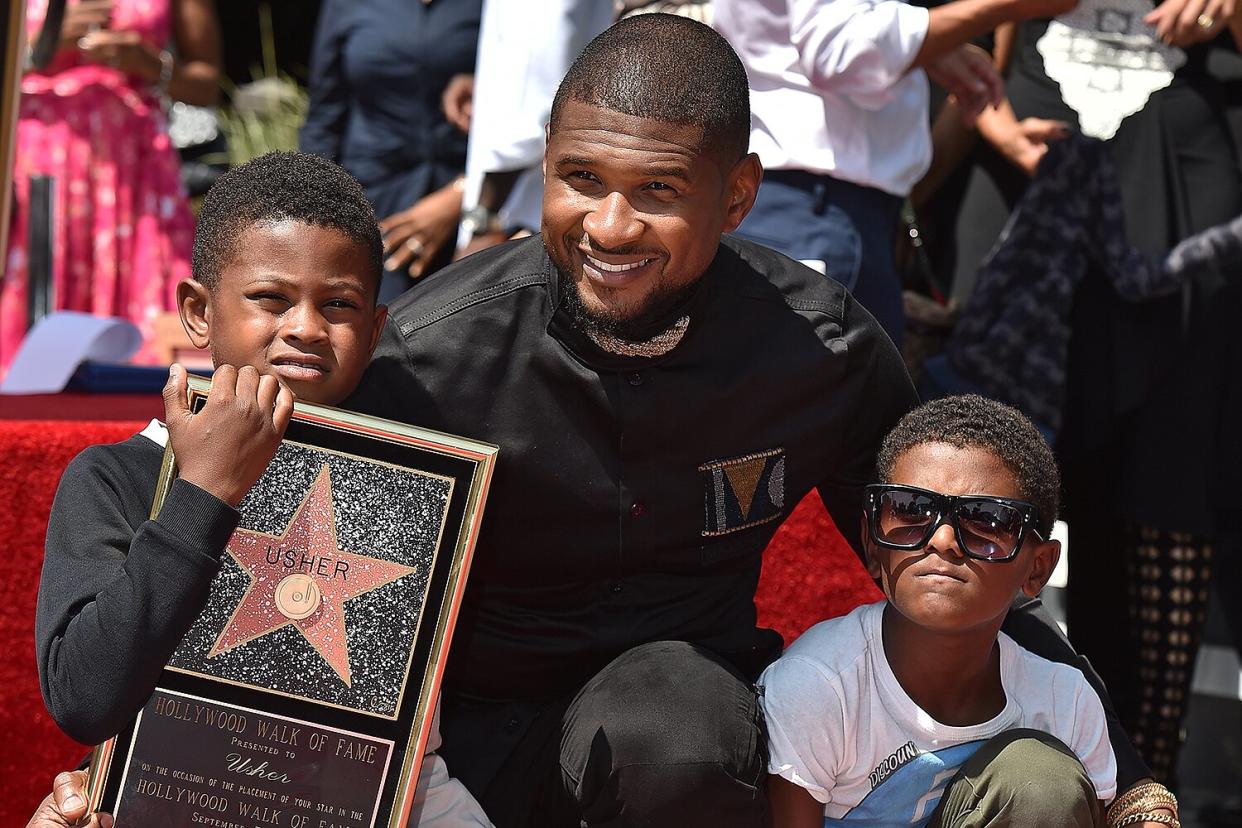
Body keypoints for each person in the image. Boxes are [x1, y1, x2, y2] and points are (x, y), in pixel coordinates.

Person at [36, 15, 1160, 828]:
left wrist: (1126, 756)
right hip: (450, 742)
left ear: (737, 195)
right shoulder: (425, 352)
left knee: (675, 715)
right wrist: (144, 765)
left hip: (680, 733)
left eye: (660, 192)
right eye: (578, 178)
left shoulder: (818, 349)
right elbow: (266, 556)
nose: (607, 224)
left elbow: (939, 528)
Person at [31, 152, 491, 828]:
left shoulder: (424, 485)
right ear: (197, 311)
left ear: (374, 331)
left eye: (338, 304)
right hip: (179, 797)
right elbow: (85, 698)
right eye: (271, 299)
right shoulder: (115, 479)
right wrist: (205, 492)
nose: (305, 326)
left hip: (403, 803)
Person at [946, 0, 1242, 782]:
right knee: (983, 463)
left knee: (1168, 471)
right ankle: (958, 759)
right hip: (1031, 138)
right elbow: (947, 35)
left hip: (1184, 147)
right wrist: (994, 121)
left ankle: (1146, 782)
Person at [763, 395, 1128, 827]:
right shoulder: (819, 685)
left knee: (1040, 781)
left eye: (987, 520)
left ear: (1038, 567)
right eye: (910, 510)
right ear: (871, 545)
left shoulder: (1063, 705)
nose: (942, 540)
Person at [712, 0, 1076, 346]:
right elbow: (841, 48)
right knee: (796, 397)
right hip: (814, 210)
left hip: (819, 209)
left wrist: (932, 49)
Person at [2, 0, 222, 378]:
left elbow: (207, 84)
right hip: (44, 170)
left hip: (136, 168)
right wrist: (39, 46)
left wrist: (152, 64)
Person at [299, 0, 483, 301]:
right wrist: (315, 213)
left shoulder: (492, 6)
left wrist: (463, 194)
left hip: (471, 204)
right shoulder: (345, 6)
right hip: (372, 205)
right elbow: (324, 117)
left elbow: (530, 111)